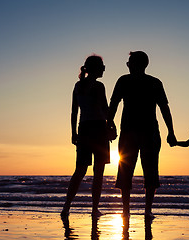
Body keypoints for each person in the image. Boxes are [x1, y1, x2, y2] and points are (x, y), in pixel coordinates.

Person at [107, 51, 176, 219]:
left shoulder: (128, 81)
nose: (128, 65)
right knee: (145, 171)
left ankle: (129, 210)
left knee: (131, 170)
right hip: (146, 131)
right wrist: (171, 132)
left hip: (138, 132)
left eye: (129, 62)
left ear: (138, 64)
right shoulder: (152, 82)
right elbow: (164, 108)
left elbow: (114, 104)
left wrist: (110, 123)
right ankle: (143, 210)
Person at [61, 54, 114, 219]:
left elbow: (74, 112)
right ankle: (94, 209)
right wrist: (112, 126)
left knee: (80, 170)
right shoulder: (99, 86)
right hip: (98, 129)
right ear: (96, 68)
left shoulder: (78, 86)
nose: (104, 69)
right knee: (98, 172)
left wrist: (73, 132)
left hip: (83, 129)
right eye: (102, 66)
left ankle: (66, 207)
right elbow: (105, 110)